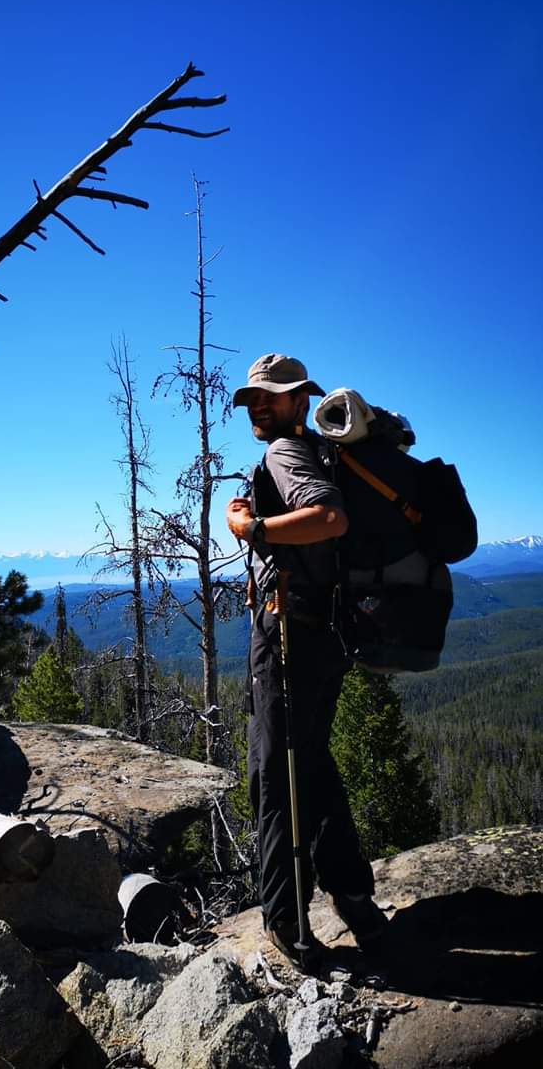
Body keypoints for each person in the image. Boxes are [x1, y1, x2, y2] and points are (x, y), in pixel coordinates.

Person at [226, 353, 388, 971]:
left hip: (289, 632)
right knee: (312, 764)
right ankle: (353, 899)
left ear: (300, 398)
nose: (259, 407)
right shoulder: (324, 450)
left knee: (276, 774)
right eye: (253, 399)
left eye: (272, 396)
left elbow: (328, 517)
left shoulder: (286, 455)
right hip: (324, 630)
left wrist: (254, 529)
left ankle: (284, 921)